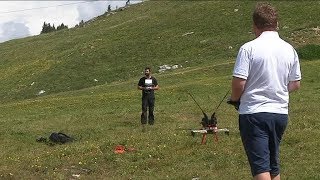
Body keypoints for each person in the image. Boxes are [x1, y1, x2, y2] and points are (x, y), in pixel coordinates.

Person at [228, 3, 301, 180]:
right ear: (277, 24)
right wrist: (277, 90)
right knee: (273, 165)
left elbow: (239, 82)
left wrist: (236, 99)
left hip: (254, 113)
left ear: (255, 25)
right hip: (280, 113)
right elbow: (296, 83)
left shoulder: (249, 48)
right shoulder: (288, 49)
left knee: (260, 167)